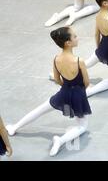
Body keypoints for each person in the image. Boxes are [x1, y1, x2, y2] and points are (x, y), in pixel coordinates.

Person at [6, 27, 91, 156]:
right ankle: (60, 140)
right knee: (83, 126)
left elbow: (57, 79)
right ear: (68, 42)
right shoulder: (79, 61)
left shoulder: (56, 59)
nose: (77, 38)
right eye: (75, 36)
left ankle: (15, 127)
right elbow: (87, 83)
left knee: (41, 109)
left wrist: (66, 87)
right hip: (78, 95)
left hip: (64, 92)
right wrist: (78, 92)